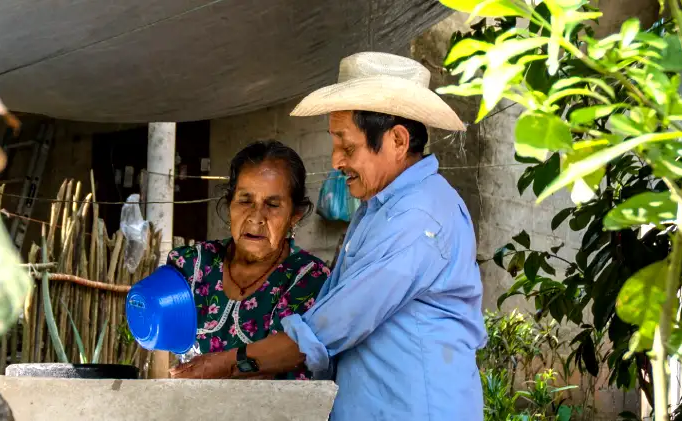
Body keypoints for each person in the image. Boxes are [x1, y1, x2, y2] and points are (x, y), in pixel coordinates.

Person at [171, 52, 487, 420]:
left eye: (347, 146)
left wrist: (223, 364)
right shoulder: (380, 208)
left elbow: (322, 333)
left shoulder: (418, 217)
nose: (336, 161)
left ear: (398, 141)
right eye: (334, 143)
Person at [166, 140, 329, 380]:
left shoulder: (309, 278)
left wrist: (226, 366)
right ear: (229, 203)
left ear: (295, 215)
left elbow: (298, 351)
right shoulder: (190, 266)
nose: (256, 217)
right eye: (245, 200)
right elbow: (161, 350)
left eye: (272, 205)